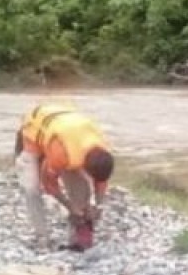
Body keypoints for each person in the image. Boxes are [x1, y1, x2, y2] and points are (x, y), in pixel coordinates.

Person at [14, 101, 115, 250]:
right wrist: (69, 205)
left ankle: (77, 234)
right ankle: (42, 237)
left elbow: (101, 181)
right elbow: (49, 184)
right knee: (32, 188)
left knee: (82, 190)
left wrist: (97, 206)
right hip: (34, 132)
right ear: (85, 167)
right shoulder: (61, 154)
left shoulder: (102, 150)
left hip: (66, 127)